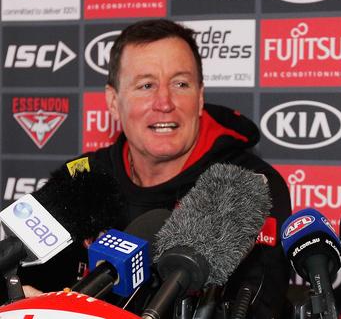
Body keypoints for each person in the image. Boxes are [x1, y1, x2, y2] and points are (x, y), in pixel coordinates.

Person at [18, 19, 292, 318]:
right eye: (146, 85)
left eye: (180, 84)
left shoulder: (245, 187)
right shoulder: (85, 178)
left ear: (200, 96)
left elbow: (259, 309)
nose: (164, 102)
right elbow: (26, 279)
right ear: (113, 101)